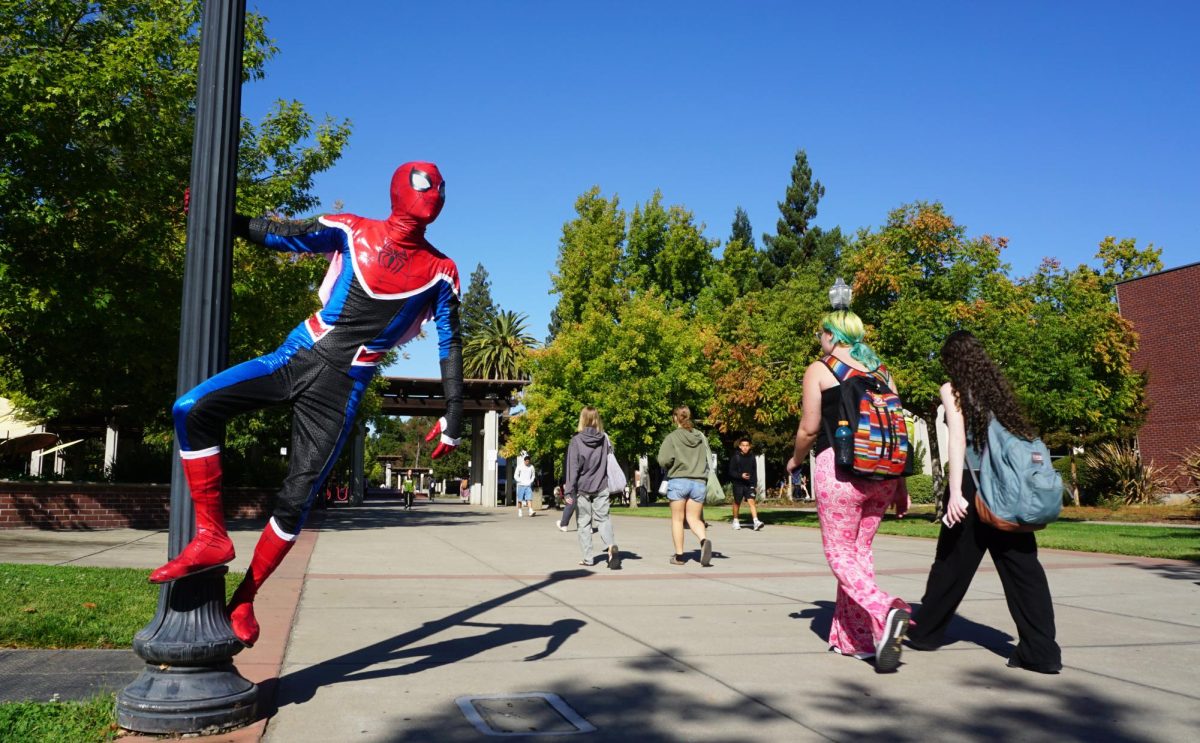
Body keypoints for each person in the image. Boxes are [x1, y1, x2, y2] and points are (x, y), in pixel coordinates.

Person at [150, 162, 463, 649]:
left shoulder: (441, 271)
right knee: (192, 409)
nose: (435, 192)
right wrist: (223, 219)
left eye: (442, 186)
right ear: (399, 189)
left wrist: (454, 414)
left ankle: (245, 597)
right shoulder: (351, 229)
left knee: (298, 498)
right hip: (296, 356)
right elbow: (284, 235)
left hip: (344, 387)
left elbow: (451, 342)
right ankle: (211, 535)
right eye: (425, 182)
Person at [906, 330, 1062, 673]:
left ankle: (926, 634)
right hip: (1007, 492)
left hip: (974, 488)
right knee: (1024, 572)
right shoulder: (998, 394)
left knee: (950, 565)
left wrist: (956, 493)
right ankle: (1042, 652)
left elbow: (957, 440)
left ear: (952, 362)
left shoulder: (952, 389)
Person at [786, 309, 911, 673]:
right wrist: (900, 483)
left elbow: (809, 429)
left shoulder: (820, 369)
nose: (818, 338)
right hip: (883, 474)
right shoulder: (883, 372)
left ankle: (886, 608)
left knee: (839, 553)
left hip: (840, 470)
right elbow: (897, 430)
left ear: (832, 335)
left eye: (820, 332)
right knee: (860, 554)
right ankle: (855, 639)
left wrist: (795, 460)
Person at [564, 406, 621, 569]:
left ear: (582, 419)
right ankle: (611, 546)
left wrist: (569, 489)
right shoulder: (604, 438)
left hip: (582, 488)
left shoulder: (576, 440)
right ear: (597, 419)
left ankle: (588, 558)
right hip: (601, 485)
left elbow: (573, 467)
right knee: (603, 518)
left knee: (583, 523)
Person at [657, 406, 714, 567]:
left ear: (675, 418)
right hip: (699, 482)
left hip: (678, 481)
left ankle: (680, 556)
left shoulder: (672, 437)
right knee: (694, 519)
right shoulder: (700, 437)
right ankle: (703, 541)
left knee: (677, 519)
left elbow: (663, 460)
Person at [728, 437, 764, 531]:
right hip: (738, 484)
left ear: (750, 446)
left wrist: (754, 485)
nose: (745, 447)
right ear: (740, 446)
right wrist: (741, 475)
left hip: (749, 484)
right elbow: (731, 472)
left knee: (751, 501)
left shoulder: (752, 457)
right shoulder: (735, 457)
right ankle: (735, 521)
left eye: (747, 446)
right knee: (737, 502)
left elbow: (754, 472)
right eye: (743, 445)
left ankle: (756, 521)